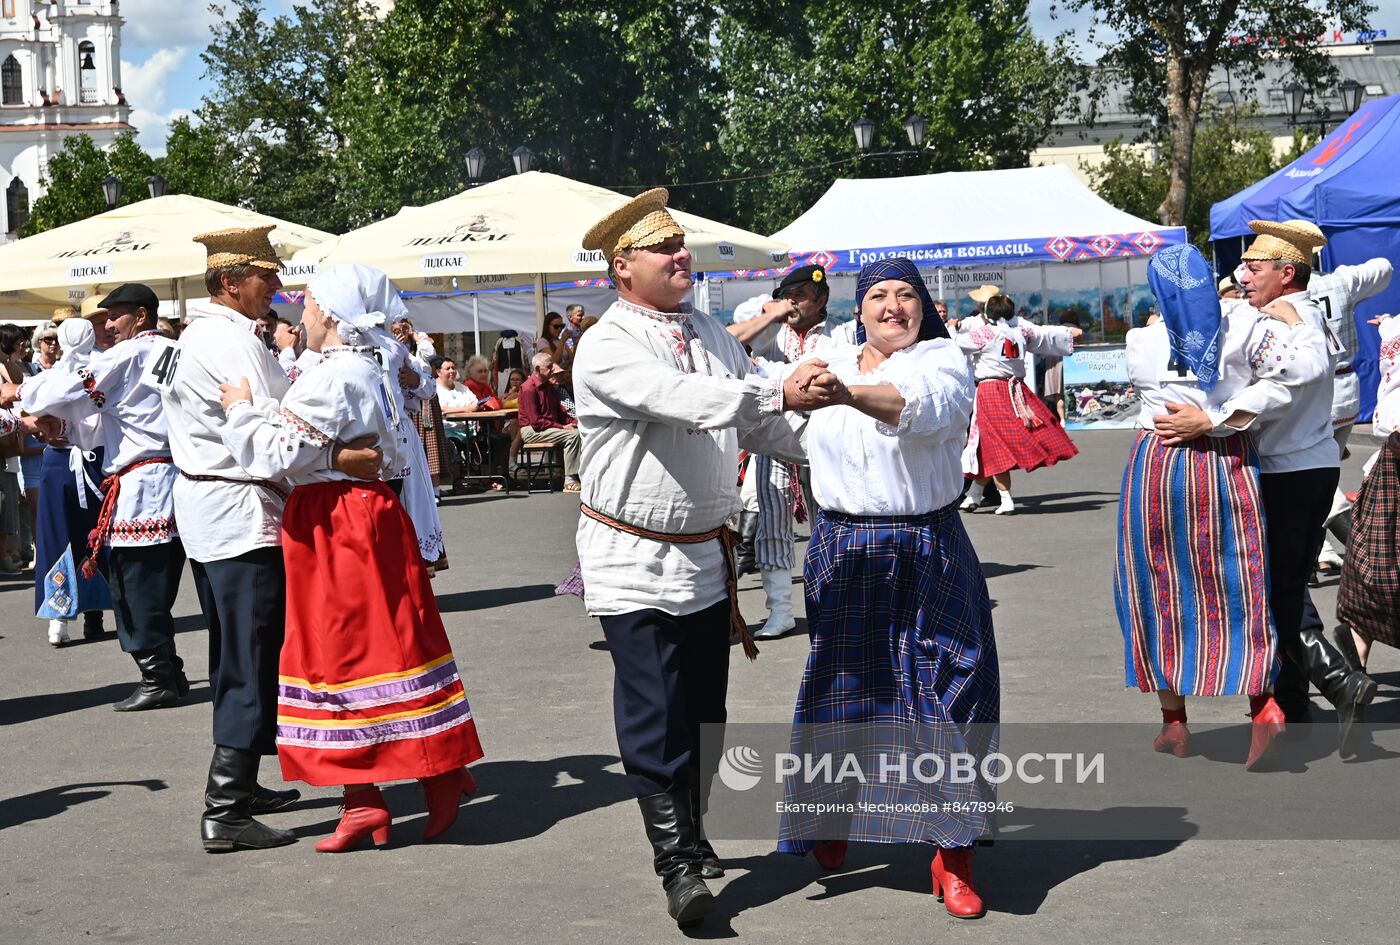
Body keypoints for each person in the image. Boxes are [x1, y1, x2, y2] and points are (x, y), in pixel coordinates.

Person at [572, 188, 840, 926]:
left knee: (705, 713)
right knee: (656, 713)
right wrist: (776, 391)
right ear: (623, 267)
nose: (682, 255)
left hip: (704, 558)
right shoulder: (607, 343)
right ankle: (678, 865)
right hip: (631, 559)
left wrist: (846, 459)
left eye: (682, 243)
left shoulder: (709, 332)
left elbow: (755, 420)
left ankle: (694, 832)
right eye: (665, 248)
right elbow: (687, 397)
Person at [217, 264, 483, 852]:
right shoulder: (371, 365)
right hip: (363, 512)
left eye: (310, 306)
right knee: (388, 643)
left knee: (339, 653)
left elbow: (275, 453)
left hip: (337, 520)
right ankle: (405, 780)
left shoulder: (335, 376)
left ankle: (386, 789)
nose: (303, 316)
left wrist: (238, 408)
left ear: (332, 314)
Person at [773, 257, 998, 919]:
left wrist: (843, 393)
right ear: (859, 306)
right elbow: (775, 420)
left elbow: (921, 409)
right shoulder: (827, 356)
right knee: (847, 689)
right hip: (845, 545)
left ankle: (953, 854)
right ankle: (833, 816)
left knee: (954, 688)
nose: (893, 305)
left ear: (923, 306)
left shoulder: (943, 358)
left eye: (905, 295)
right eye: (879, 295)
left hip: (930, 541)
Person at [160, 225, 382, 852]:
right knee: (249, 658)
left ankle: (244, 781)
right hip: (238, 511)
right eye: (266, 275)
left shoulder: (207, 335)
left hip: (213, 508)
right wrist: (340, 452)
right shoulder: (230, 343)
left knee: (234, 651)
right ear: (230, 282)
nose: (278, 287)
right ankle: (224, 806)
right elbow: (272, 445)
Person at [1153, 219, 1376, 753]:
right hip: (1303, 465)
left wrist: (1215, 420)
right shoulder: (1289, 313)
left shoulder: (1290, 316)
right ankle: (1297, 704)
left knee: (1268, 589)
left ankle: (1339, 682)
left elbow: (1295, 378)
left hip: (1285, 471)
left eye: (1254, 267)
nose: (1242, 276)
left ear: (1287, 272)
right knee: (1285, 585)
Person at [1116, 245, 1317, 766]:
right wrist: (1223, 415)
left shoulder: (1141, 339)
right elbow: (1297, 373)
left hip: (1158, 464)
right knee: (1240, 580)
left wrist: (1203, 415)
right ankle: (1265, 707)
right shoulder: (1246, 324)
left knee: (1157, 583)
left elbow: (1150, 388)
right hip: (1226, 464)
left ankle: (1175, 723)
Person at [8, 284, 190, 712]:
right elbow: (107, 415)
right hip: (165, 475)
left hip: (144, 482)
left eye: (116, 315)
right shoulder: (170, 351)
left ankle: (158, 675)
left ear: (141, 316)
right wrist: (60, 426)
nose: (107, 325)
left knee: (135, 583)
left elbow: (72, 389)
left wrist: (20, 395)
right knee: (150, 581)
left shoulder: (131, 354)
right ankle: (168, 669)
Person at [727, 263, 838, 640]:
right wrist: (776, 312)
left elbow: (828, 379)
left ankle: (832, 604)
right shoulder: (774, 330)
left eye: (801, 297)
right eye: (787, 296)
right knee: (771, 527)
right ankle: (780, 611)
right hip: (773, 438)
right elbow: (749, 335)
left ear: (821, 299)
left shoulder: (838, 334)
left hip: (822, 440)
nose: (793, 303)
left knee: (829, 521)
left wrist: (773, 375)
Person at [31, 302, 114, 646]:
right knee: (95, 533)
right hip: (91, 460)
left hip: (66, 461)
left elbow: (31, 417)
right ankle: (92, 613)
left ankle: (61, 618)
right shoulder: (100, 372)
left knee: (61, 535)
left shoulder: (48, 379)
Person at [1303, 257, 1393, 576]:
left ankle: (1362, 552)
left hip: (1312, 393)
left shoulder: (1288, 289)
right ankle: (1321, 554)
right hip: (1345, 389)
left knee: (1314, 479)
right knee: (1321, 476)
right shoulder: (1339, 282)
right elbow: (1383, 269)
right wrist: (1355, 288)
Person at [957, 294, 1081, 514]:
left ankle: (1005, 498)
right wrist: (1067, 333)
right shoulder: (1021, 331)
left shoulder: (985, 333)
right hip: (1016, 390)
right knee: (987, 444)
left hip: (991, 391)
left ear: (987, 314)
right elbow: (1044, 334)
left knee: (992, 443)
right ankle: (974, 495)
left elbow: (955, 345)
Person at [1335, 313, 1400, 681]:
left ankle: (1356, 657)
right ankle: (1355, 661)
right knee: (1375, 559)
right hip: (1392, 452)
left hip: (1391, 452)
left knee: (1374, 562)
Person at [519, 351, 583, 493]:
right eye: (549, 367)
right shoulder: (529, 388)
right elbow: (536, 422)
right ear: (537, 369)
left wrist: (575, 422)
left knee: (581, 432)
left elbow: (560, 413)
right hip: (531, 431)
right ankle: (570, 481)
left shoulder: (549, 387)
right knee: (572, 436)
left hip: (545, 427)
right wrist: (562, 427)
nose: (553, 370)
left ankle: (583, 475)